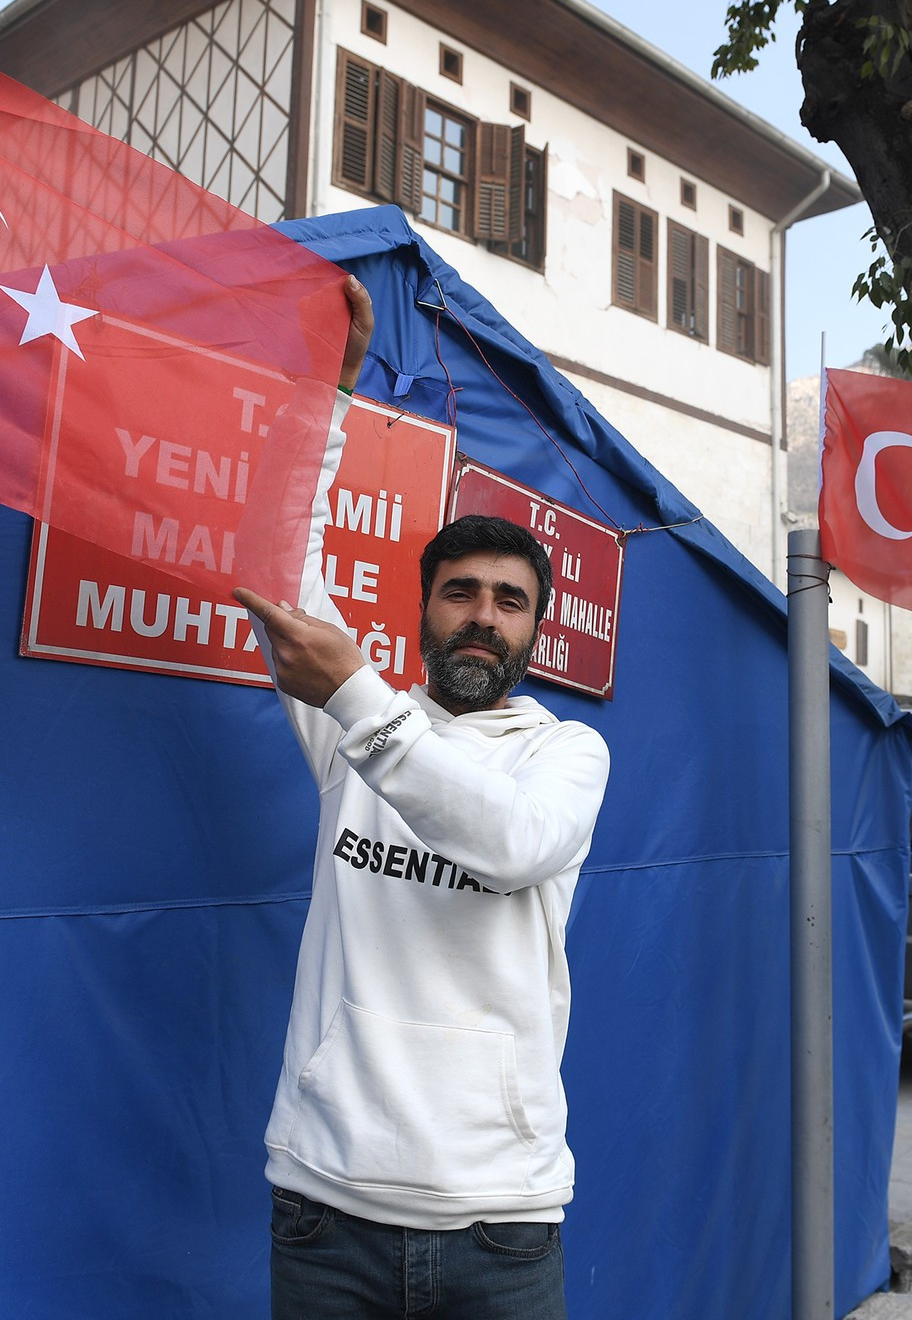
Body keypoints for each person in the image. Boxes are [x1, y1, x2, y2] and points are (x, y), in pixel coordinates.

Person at [232, 276, 610, 1320]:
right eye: (460, 592)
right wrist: (327, 394)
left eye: (509, 601)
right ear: (423, 609)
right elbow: (277, 565)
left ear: (536, 631)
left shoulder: (566, 753)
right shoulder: (353, 720)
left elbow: (511, 840)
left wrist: (357, 694)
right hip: (325, 1200)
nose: (482, 618)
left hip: (499, 1214)